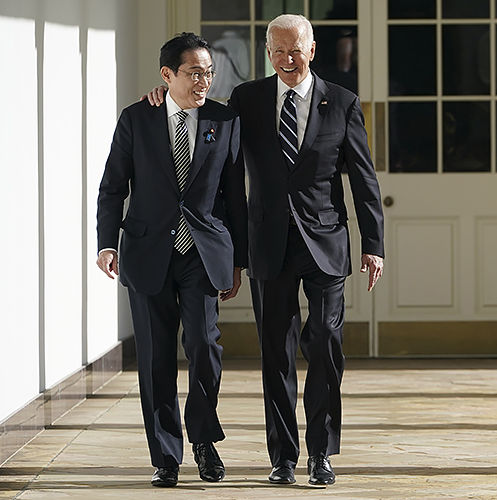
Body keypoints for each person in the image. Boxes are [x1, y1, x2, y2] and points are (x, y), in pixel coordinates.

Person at [146, 13, 384, 487]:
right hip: (267, 246)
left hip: (326, 244)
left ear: (312, 50)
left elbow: (363, 180)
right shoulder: (247, 99)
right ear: (268, 53)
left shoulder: (342, 102)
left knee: (326, 348)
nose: (287, 59)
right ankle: (284, 457)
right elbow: (217, 150)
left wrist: (373, 245)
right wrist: (157, 100)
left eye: (295, 50)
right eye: (277, 50)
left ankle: (321, 454)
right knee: (275, 353)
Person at [97, 32, 247, 488]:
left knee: (204, 348)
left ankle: (203, 440)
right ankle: (165, 454)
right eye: (193, 72)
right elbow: (112, 186)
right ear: (167, 75)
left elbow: (234, 195)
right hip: (146, 254)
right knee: (156, 358)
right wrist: (106, 244)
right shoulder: (137, 118)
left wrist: (237, 259)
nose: (203, 80)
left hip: (202, 255)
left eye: (208, 72)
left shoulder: (224, 119)